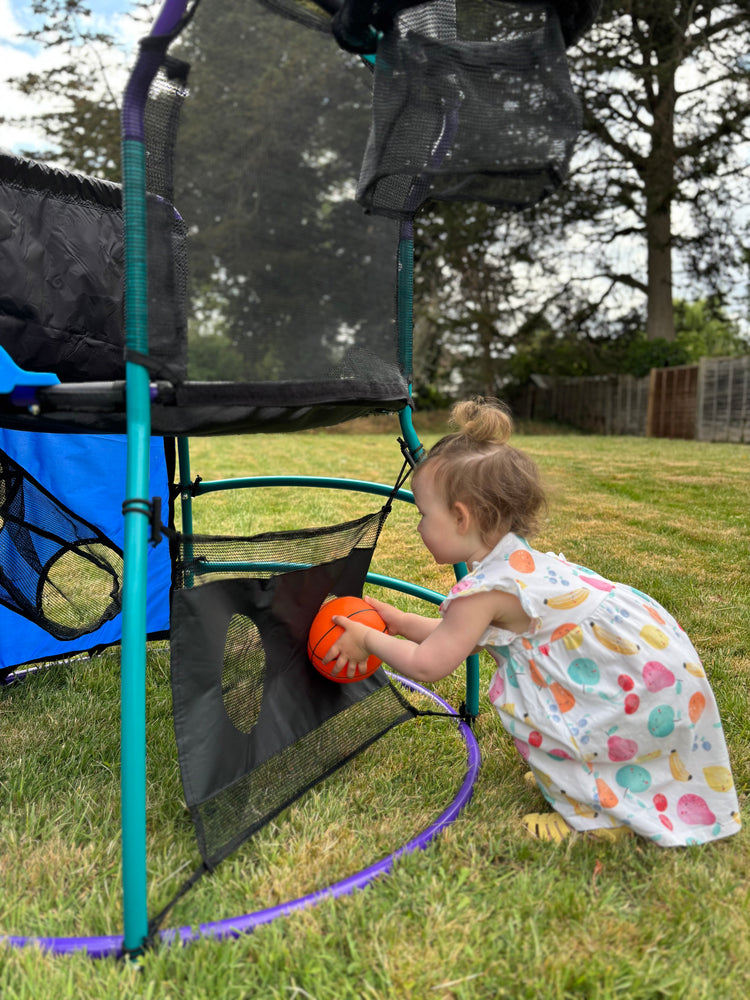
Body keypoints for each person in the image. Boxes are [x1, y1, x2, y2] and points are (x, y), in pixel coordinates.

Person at [324, 398, 741, 846]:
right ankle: (590, 786)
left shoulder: (486, 592)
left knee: (574, 730)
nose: (420, 527)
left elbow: (430, 664)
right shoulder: (515, 562)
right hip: (642, 666)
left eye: (425, 516)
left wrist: (367, 638)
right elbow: (459, 639)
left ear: (461, 516)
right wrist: (400, 620)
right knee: (593, 731)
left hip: (622, 685)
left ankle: (599, 819)